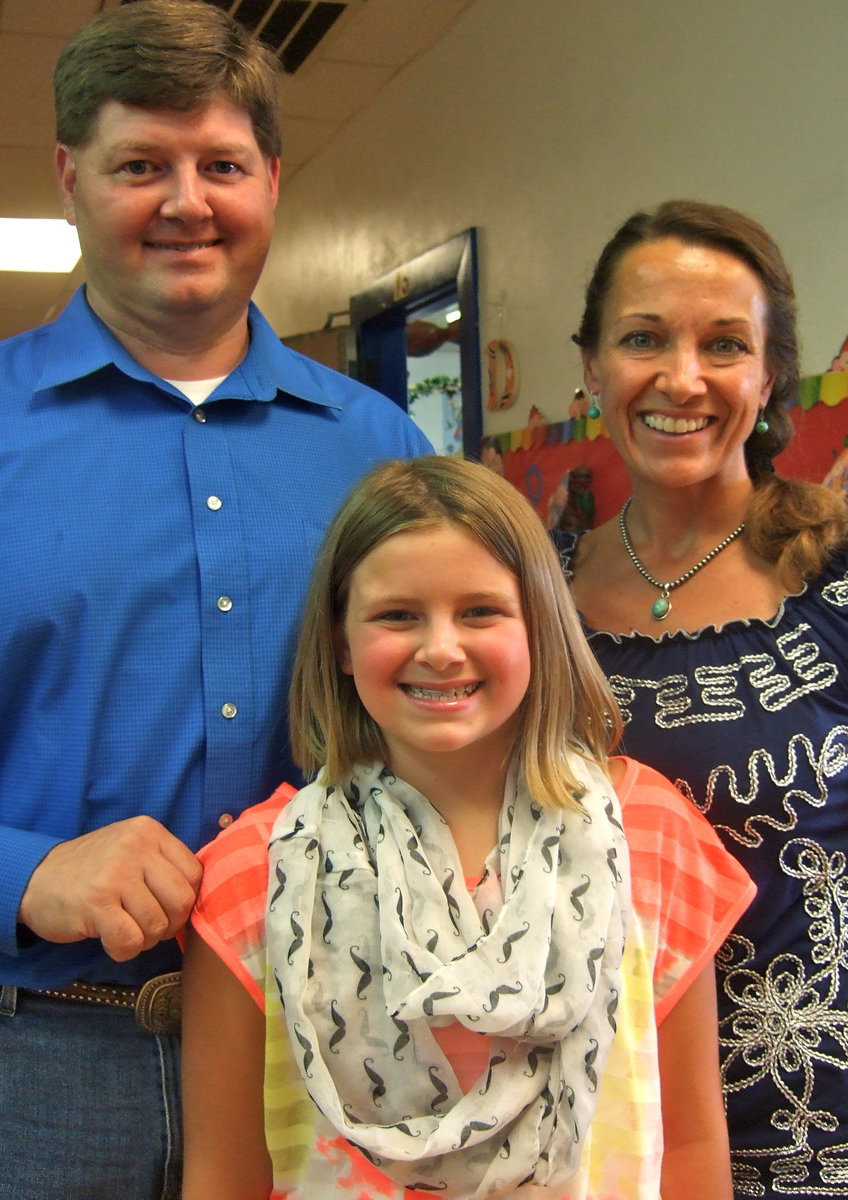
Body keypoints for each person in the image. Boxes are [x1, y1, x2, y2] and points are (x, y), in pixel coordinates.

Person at [0, 3, 430, 1196]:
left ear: (272, 181)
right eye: (141, 164)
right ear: (69, 180)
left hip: (334, 1042)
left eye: (221, 166)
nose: (187, 202)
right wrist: (21, 872)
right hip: (37, 1064)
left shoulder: (382, 451)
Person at [181, 455, 755, 1200]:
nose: (442, 648)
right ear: (342, 644)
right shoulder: (249, 876)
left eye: (481, 610)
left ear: (540, 626)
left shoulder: (649, 835)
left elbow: (692, 1144)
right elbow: (223, 1175)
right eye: (397, 615)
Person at [556, 199, 848, 1197]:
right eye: (642, 338)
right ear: (590, 366)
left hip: (837, 1138)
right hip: (595, 1135)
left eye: (723, 345)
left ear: (767, 374)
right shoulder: (526, 605)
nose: (682, 377)